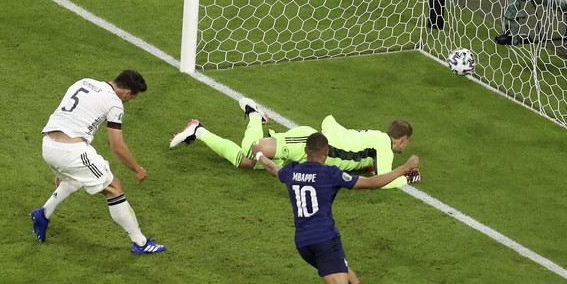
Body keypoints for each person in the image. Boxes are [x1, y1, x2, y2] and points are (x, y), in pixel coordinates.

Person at [251, 132, 420, 284]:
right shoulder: (330, 174)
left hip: (303, 243)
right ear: (326, 152)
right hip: (325, 240)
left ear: (306, 151)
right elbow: (373, 182)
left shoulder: (292, 171)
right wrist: (405, 167)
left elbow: (272, 168)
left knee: (352, 283)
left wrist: (258, 153)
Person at [30, 70, 166, 254]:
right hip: (72, 151)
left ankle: (43, 213)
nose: (129, 101)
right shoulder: (114, 103)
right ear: (127, 93)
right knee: (114, 187)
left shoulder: (84, 82)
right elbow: (117, 146)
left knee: (75, 179)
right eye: (132, 98)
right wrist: (136, 168)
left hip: (48, 145)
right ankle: (141, 243)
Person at [169, 97, 421, 188]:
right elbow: (383, 180)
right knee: (252, 149)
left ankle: (198, 131)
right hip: (307, 145)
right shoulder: (382, 143)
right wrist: (407, 176)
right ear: (404, 140)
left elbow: (366, 163)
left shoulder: (371, 143)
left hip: (310, 156)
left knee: (243, 162)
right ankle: (255, 115)